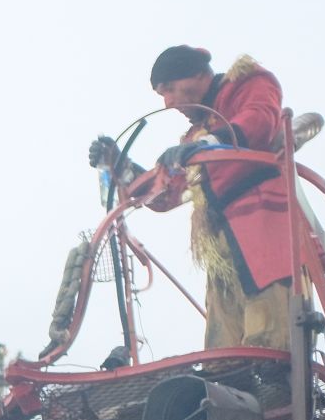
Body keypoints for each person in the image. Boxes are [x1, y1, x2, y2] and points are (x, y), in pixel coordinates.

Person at [88, 45, 305, 352]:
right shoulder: (193, 138)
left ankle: (273, 381)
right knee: (223, 342)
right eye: (162, 95)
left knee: (269, 325)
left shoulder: (246, 85)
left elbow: (259, 121)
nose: (168, 102)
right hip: (222, 245)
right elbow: (165, 194)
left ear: (200, 75)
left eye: (171, 89)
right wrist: (119, 164)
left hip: (264, 230)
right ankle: (227, 384)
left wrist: (208, 144)